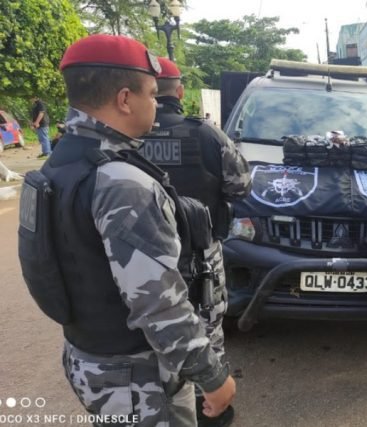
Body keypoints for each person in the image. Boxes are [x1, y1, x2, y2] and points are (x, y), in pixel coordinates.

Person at [18, 34, 236, 426]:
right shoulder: (122, 182)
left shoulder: (59, 164)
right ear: (124, 99)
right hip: (139, 379)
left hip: (89, 360)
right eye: (152, 94)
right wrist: (212, 375)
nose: (157, 104)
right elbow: (158, 302)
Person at [140, 57, 252, 427]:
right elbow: (240, 186)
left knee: (147, 329)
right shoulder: (205, 135)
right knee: (207, 328)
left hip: (136, 256)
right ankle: (212, 405)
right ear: (181, 91)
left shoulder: (125, 138)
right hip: (199, 254)